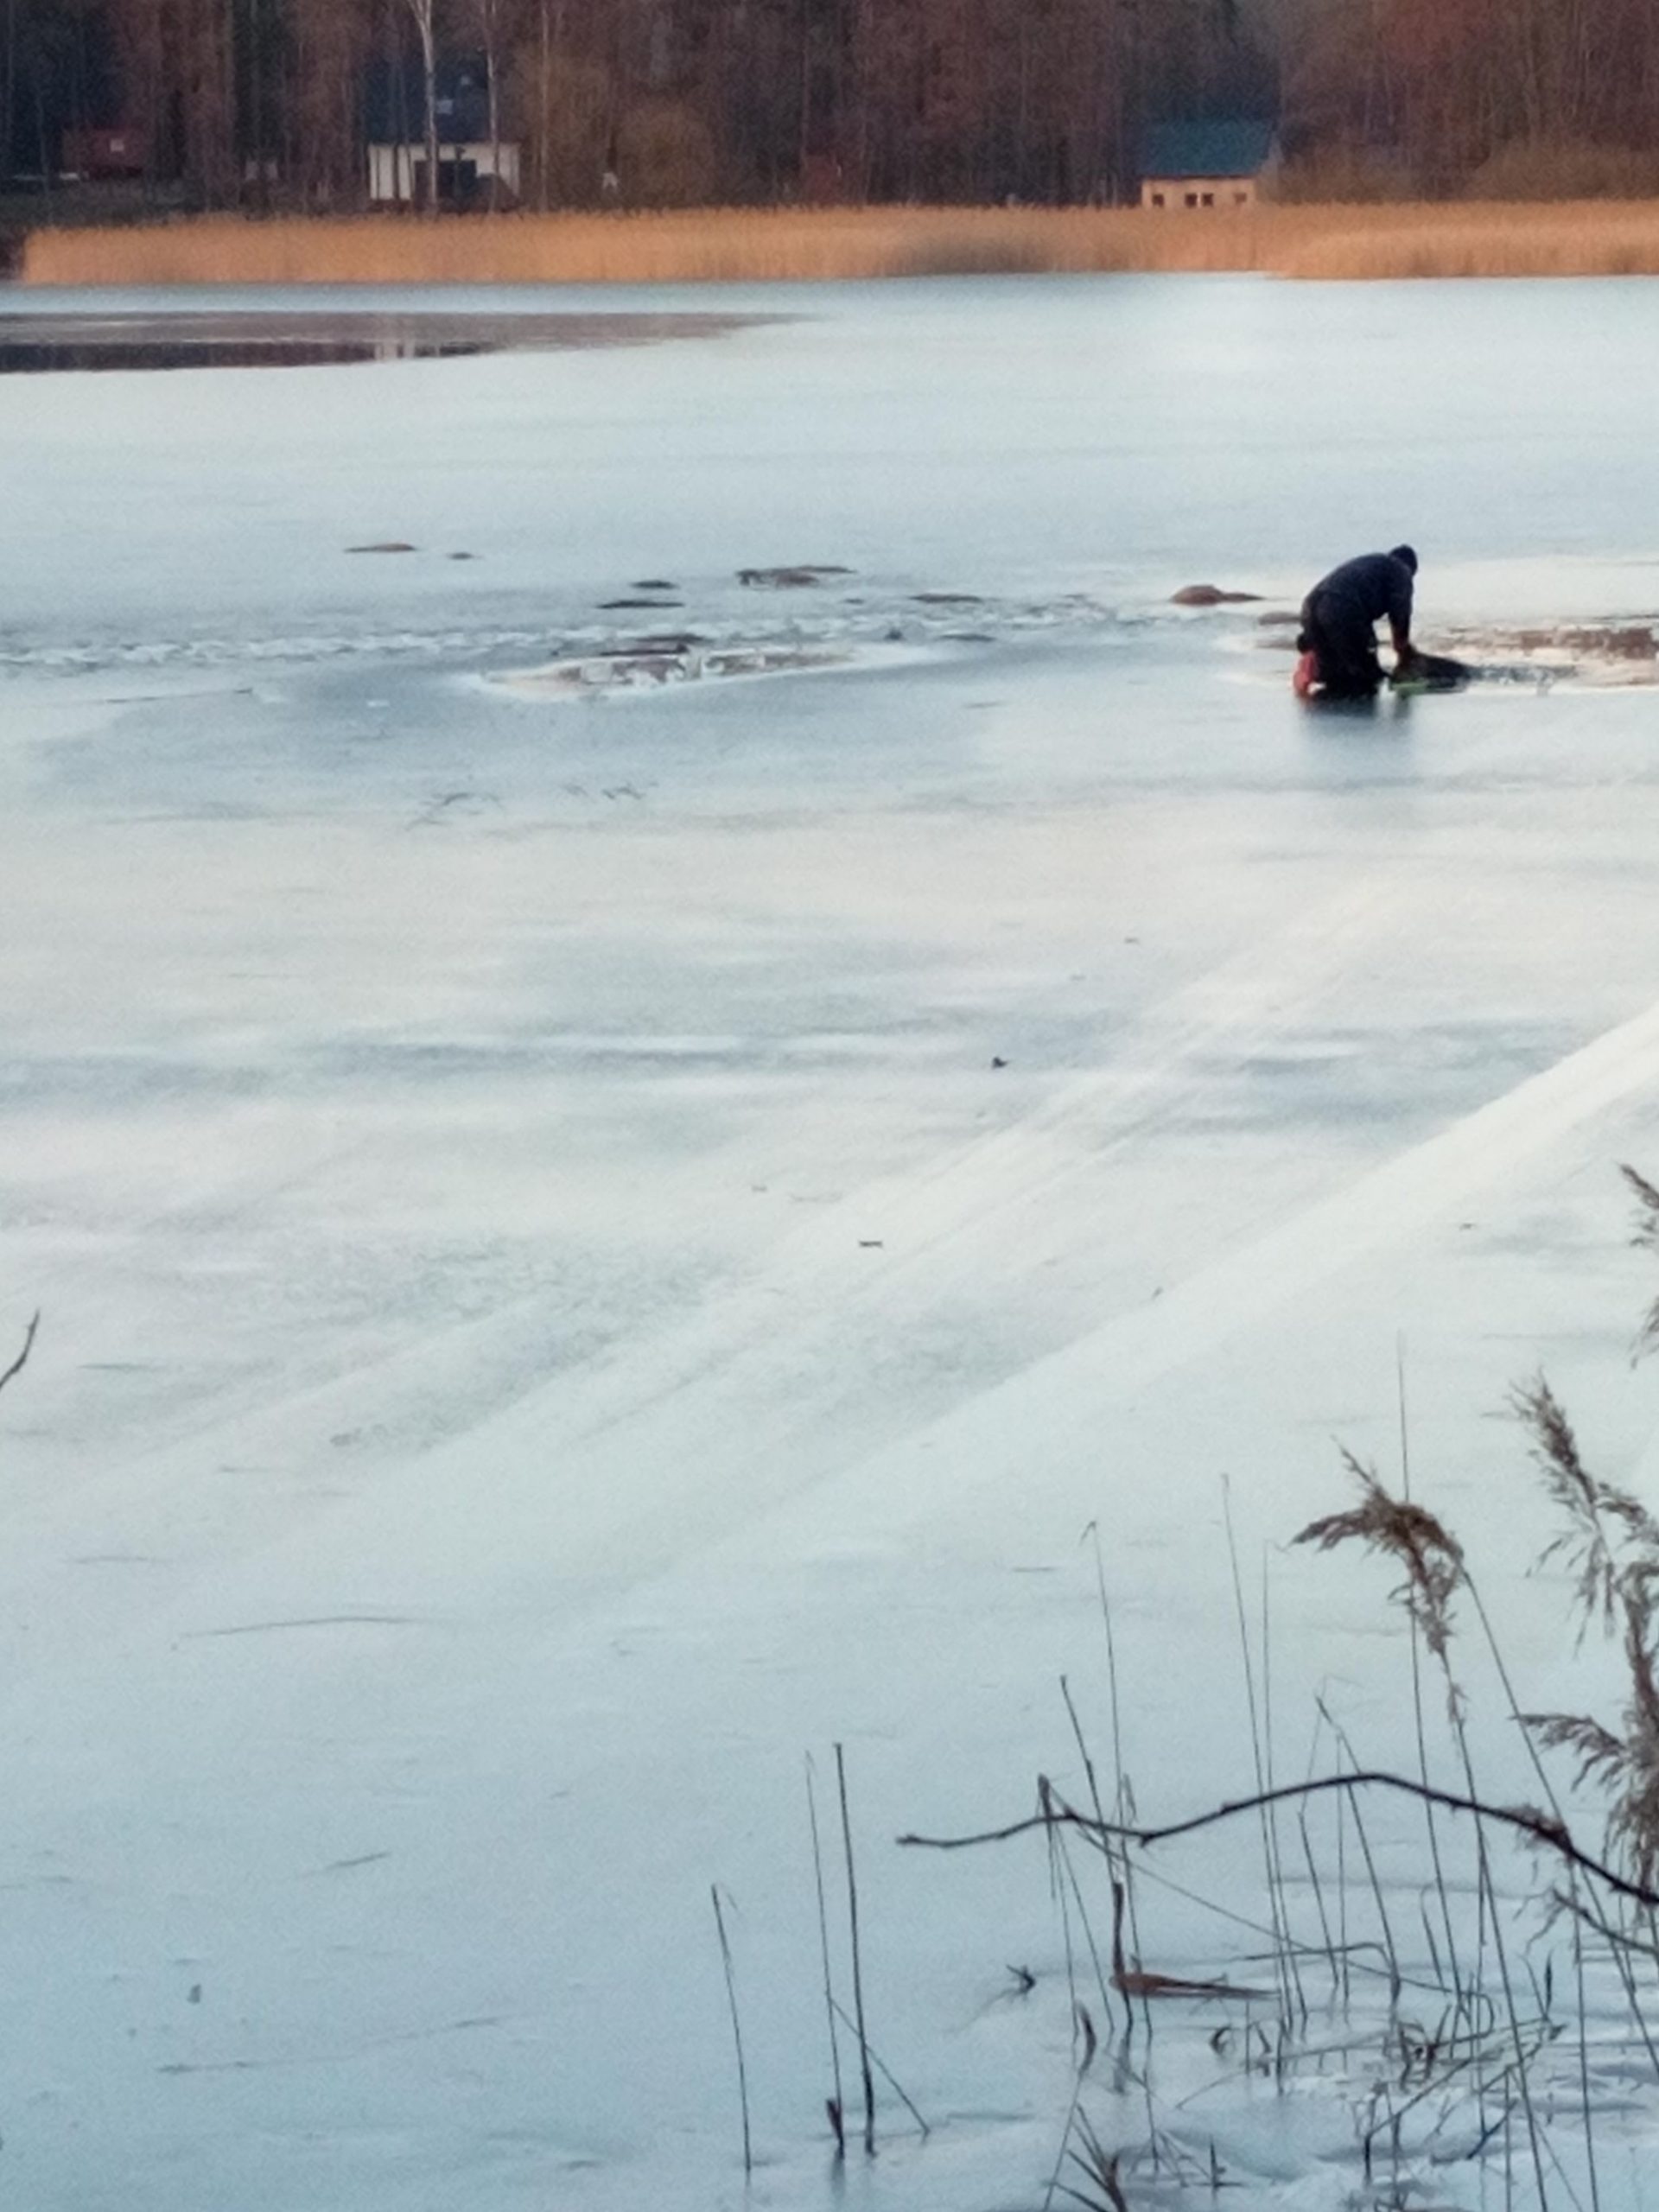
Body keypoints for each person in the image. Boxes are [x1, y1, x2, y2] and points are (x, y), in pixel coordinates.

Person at [1296, 546, 1420, 700]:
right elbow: (1400, 612)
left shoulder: (1371, 564)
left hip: (1311, 606)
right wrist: (1403, 650)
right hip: (1343, 607)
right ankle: (1358, 706)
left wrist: (1309, 642)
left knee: (1334, 674)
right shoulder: (1400, 570)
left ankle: (1317, 693)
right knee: (1365, 674)